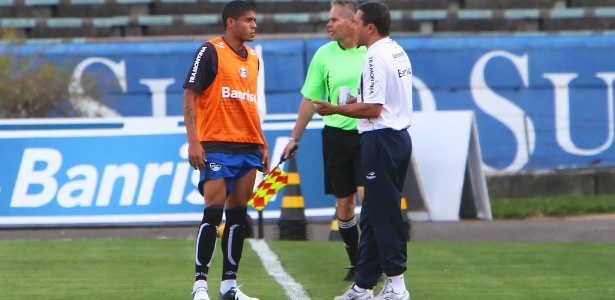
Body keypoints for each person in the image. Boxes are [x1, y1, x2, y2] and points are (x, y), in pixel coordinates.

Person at [312, 2, 413, 300]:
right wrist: (357, 98)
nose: (351, 25)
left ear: (370, 27)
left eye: (356, 21)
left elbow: (374, 108)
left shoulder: (374, 55)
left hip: (380, 139)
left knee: (383, 212)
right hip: (396, 137)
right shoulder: (396, 50)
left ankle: (397, 285)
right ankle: (364, 284)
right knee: (370, 213)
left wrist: (336, 108)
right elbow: (382, 98)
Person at [181, 1, 269, 300]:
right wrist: (194, 141)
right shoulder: (210, 51)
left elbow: (250, 104)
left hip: (247, 146)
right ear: (231, 23)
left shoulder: (254, 58)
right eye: (248, 20)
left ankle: (229, 286)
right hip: (216, 145)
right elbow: (190, 96)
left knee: (237, 216)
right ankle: (200, 285)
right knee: (213, 213)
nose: (254, 25)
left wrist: (262, 142)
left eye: (255, 20)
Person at [281, 0, 366, 282]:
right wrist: (295, 137)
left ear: (351, 21)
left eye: (333, 20)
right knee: (345, 206)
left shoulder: (372, 52)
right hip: (336, 136)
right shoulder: (323, 55)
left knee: (369, 198)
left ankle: (374, 261)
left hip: (368, 133)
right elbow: (310, 98)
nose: (328, 25)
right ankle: (357, 262)